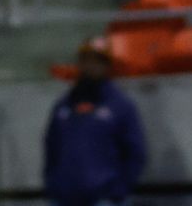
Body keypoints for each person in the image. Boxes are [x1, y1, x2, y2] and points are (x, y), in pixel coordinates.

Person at [42, 35, 146, 206]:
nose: (91, 66)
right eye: (86, 60)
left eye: (98, 61)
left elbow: (135, 153)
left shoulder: (120, 106)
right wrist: (53, 186)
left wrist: (117, 191)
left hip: (104, 200)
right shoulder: (64, 106)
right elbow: (51, 147)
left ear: (107, 65)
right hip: (64, 200)